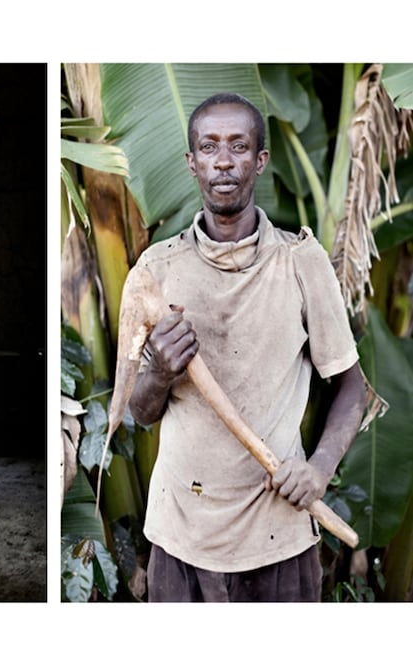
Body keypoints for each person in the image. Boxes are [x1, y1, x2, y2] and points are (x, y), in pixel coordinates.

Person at [128, 92, 368, 602]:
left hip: (276, 535)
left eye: (238, 146)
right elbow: (140, 412)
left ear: (260, 161)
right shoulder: (157, 270)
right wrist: (160, 372)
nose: (223, 160)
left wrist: (319, 469)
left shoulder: (300, 262)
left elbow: (353, 387)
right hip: (180, 535)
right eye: (209, 146)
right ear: (191, 162)